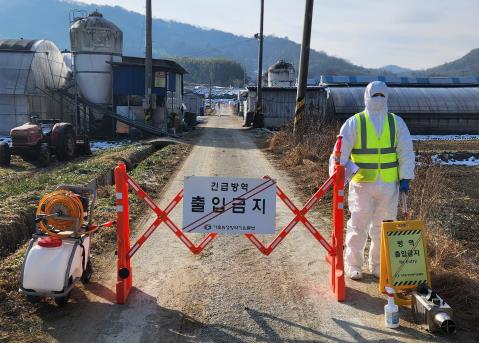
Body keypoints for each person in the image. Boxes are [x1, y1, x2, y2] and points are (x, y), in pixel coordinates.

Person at [331, 81, 415, 280]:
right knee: (358, 225)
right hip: (362, 184)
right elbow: (339, 152)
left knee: (383, 227)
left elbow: (406, 152)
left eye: (381, 95)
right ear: (366, 97)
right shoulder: (355, 122)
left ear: (387, 97)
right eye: (374, 95)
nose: (378, 99)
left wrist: (406, 177)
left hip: (389, 185)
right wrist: (336, 176)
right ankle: (353, 265)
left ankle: (379, 265)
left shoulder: (396, 123)